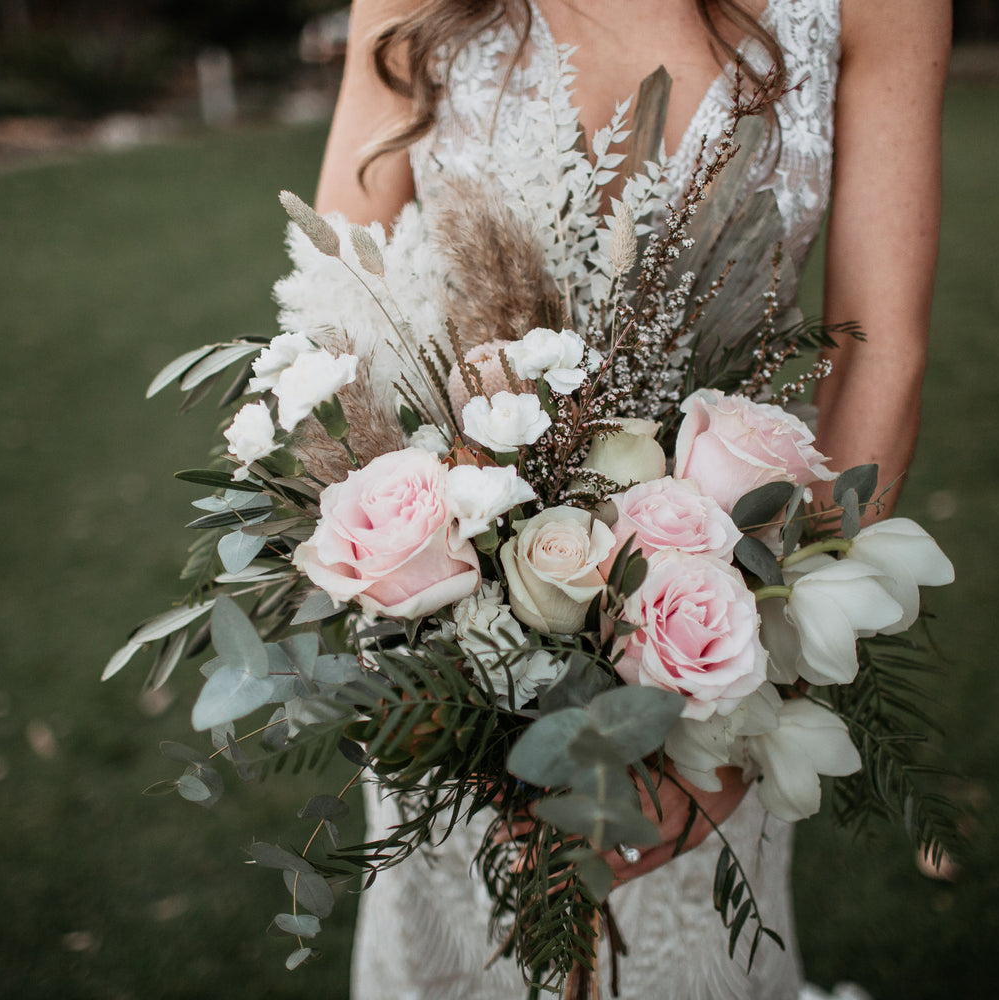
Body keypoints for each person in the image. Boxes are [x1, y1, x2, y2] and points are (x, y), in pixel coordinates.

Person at [313, 1, 950, 996]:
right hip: (439, 635)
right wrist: (418, 611)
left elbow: (882, 357)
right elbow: (333, 310)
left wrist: (748, 705)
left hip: (708, 657)